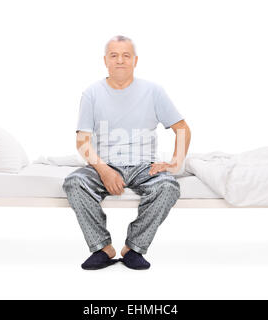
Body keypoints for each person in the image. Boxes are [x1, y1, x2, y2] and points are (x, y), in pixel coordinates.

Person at [62, 35, 191, 270]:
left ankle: (134, 248)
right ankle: (102, 247)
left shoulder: (153, 91)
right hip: (105, 162)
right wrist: (103, 170)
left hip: (144, 165)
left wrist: (175, 163)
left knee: (168, 186)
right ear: (105, 61)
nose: (120, 60)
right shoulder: (92, 93)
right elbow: (82, 141)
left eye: (126, 55)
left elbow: (181, 128)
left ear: (135, 60)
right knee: (74, 183)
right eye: (114, 55)